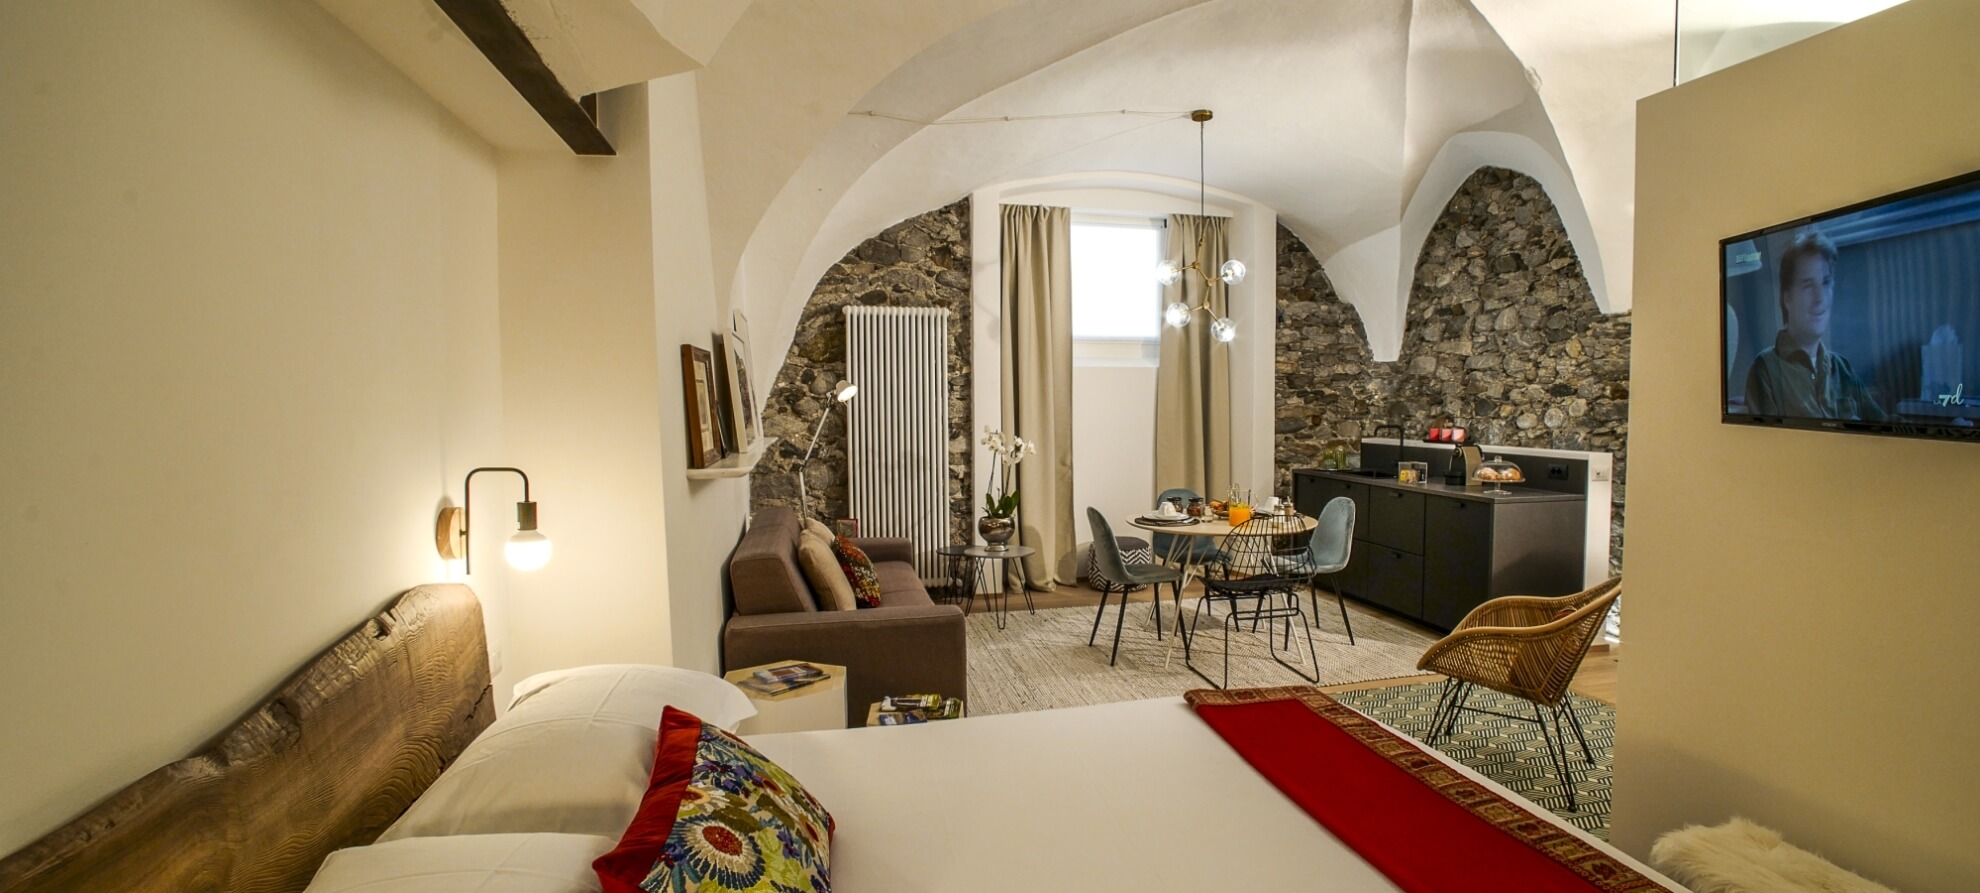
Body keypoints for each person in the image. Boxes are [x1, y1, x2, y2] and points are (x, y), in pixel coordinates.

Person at [1743, 231, 1889, 421]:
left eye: (1826, 282)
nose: (1820, 298)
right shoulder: (1766, 369)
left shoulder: (1841, 368)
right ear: (1787, 298)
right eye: (1808, 285)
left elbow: (1883, 424)